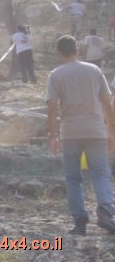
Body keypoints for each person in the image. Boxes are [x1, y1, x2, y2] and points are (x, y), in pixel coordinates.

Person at [47, 35, 115, 236]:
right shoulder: (94, 70)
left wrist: (52, 135)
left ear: (59, 53)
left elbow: (52, 107)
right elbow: (106, 102)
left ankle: (80, 221)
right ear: (77, 49)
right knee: (101, 174)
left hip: (70, 132)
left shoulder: (56, 74)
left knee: (73, 177)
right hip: (96, 131)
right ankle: (105, 211)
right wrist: (111, 130)